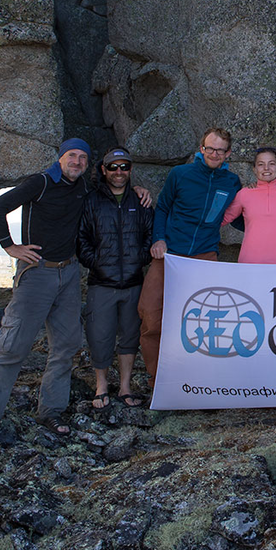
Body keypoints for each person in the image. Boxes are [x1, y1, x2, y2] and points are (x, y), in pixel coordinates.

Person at [0, 138, 94, 446]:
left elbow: (113, 190)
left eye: (82, 158)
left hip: (68, 273)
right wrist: (9, 246)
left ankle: (50, 411)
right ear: (61, 158)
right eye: (72, 156)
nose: (77, 161)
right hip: (37, 273)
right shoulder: (39, 183)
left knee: (66, 345)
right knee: (13, 347)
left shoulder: (82, 188)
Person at [138, 127, 241, 387]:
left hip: (205, 256)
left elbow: (244, 213)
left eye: (220, 150)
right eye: (210, 148)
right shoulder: (180, 174)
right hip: (169, 255)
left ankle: (202, 379)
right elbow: (162, 208)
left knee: (207, 319)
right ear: (201, 149)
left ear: (228, 153)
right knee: (151, 312)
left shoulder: (231, 182)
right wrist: (158, 239)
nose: (214, 154)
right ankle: (158, 377)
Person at [77, 147, 153, 409]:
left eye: (124, 167)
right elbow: (82, 239)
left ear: (130, 170)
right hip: (101, 283)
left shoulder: (140, 201)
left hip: (133, 282)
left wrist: (140, 259)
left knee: (130, 336)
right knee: (100, 335)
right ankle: (100, 387)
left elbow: (149, 235)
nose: (119, 172)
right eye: (113, 167)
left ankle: (124, 387)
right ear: (103, 169)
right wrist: (96, 262)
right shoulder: (91, 201)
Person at [222, 147, 276, 264]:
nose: (266, 168)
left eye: (271, 164)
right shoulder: (244, 194)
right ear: (254, 169)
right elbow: (222, 219)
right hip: (249, 263)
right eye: (261, 164)